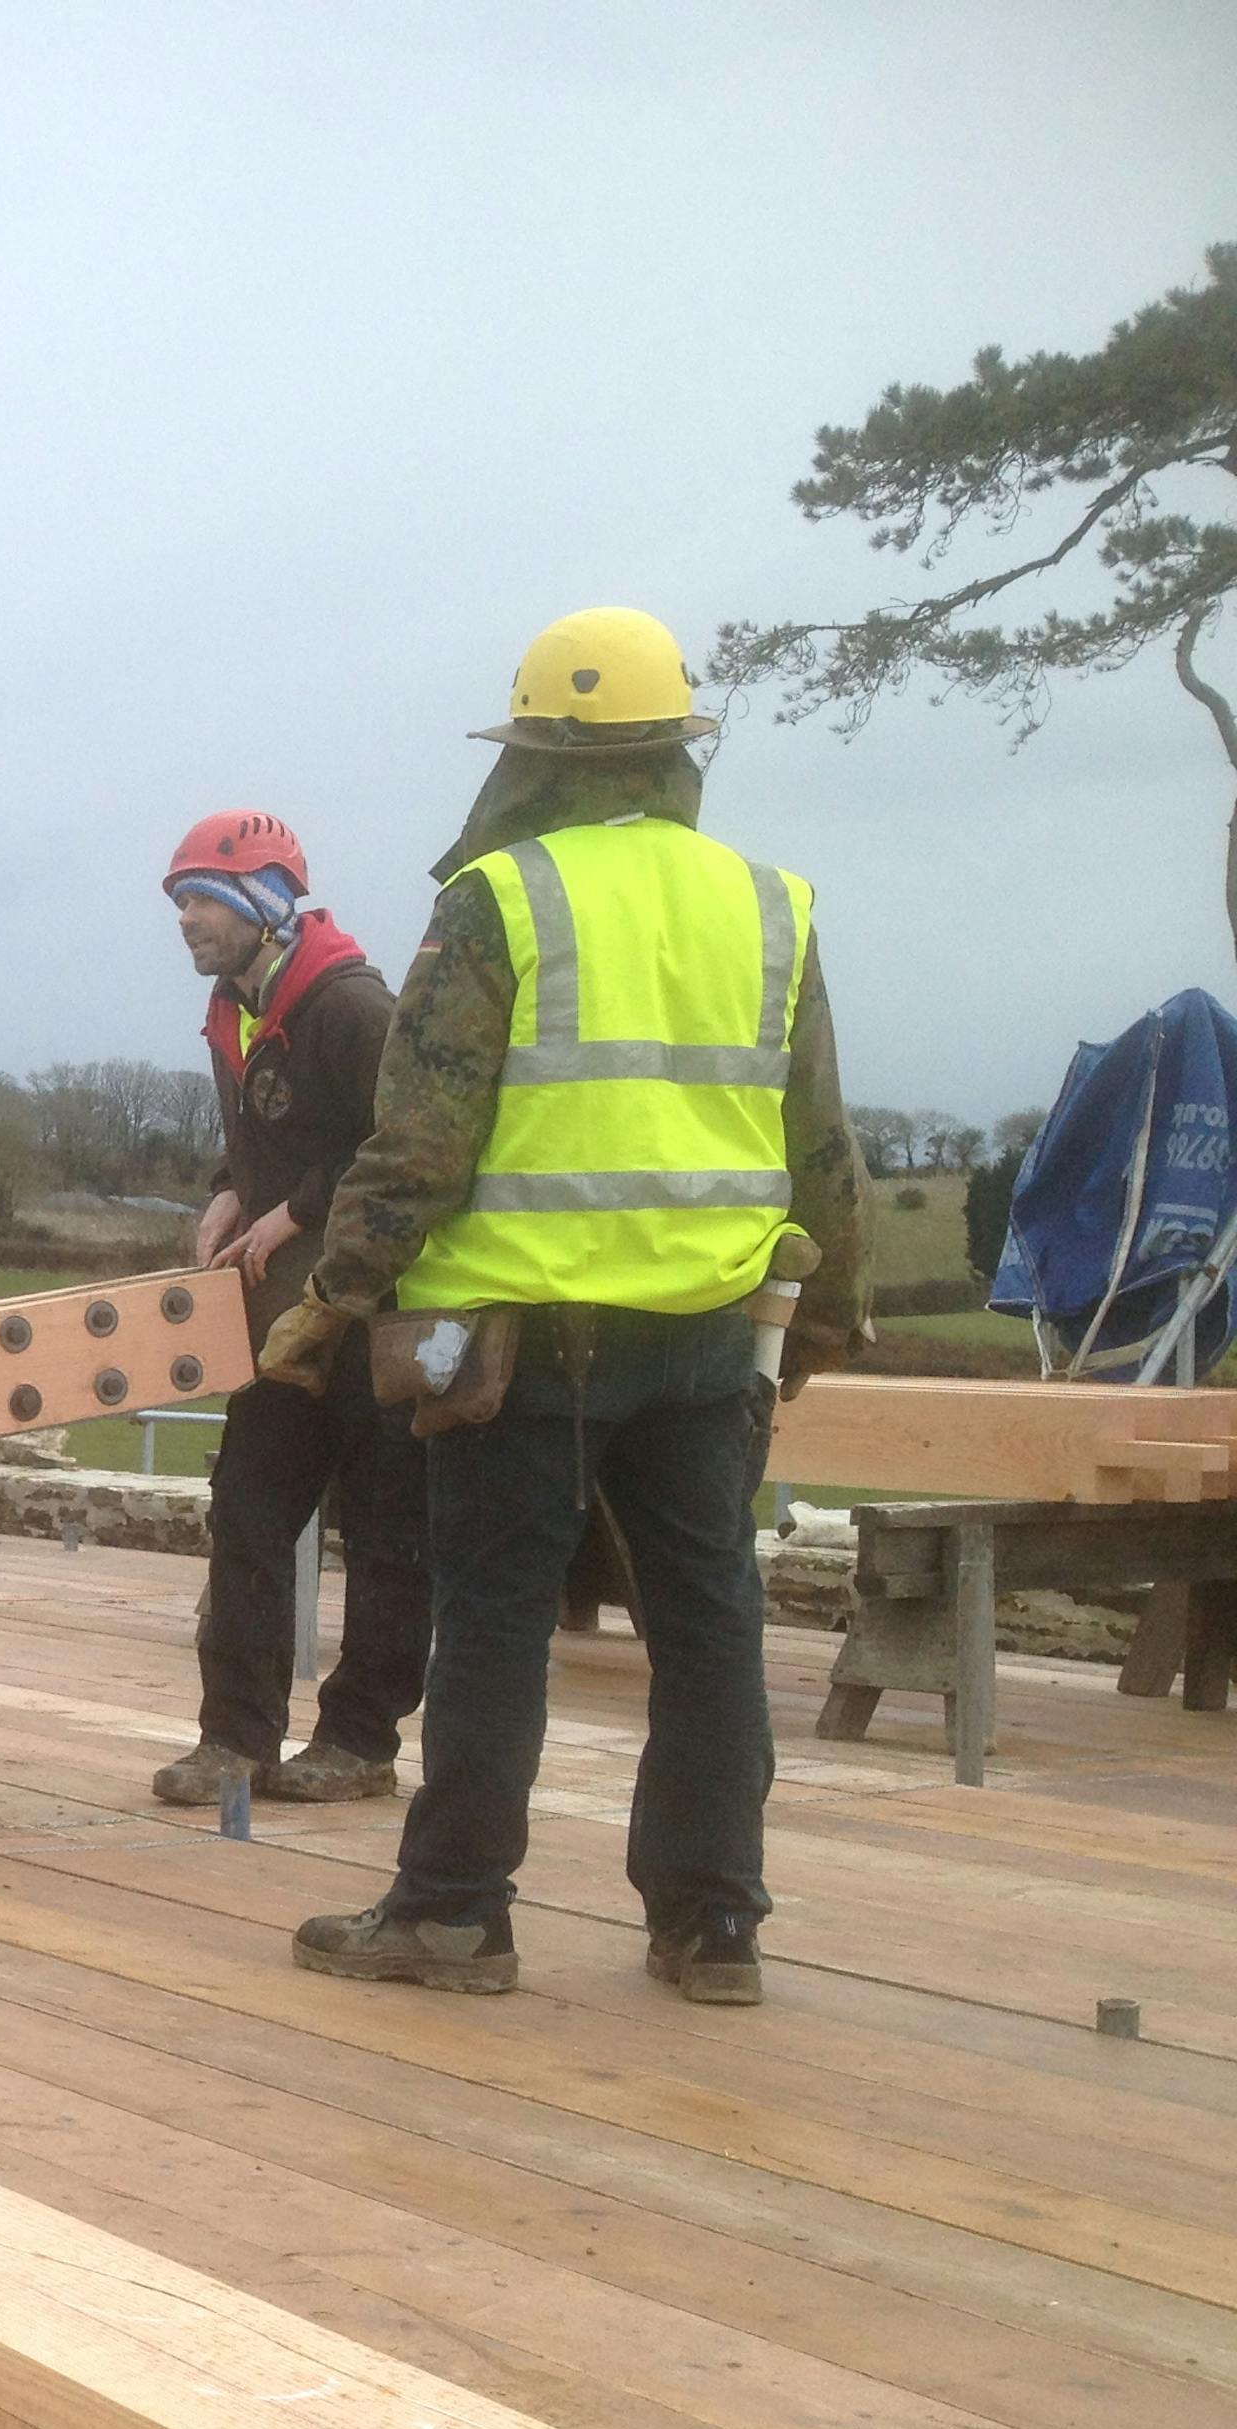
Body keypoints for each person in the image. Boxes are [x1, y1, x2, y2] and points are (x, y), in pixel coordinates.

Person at [260, 608, 865, 2005]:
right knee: (711, 1625)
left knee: (493, 1620)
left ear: (532, 753)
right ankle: (716, 1928)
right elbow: (819, 1135)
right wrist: (830, 1310)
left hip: (512, 1343)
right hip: (707, 1340)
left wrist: (329, 1304)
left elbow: (420, 1143)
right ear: (674, 753)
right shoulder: (770, 902)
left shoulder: (500, 900)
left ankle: (457, 1914)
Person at [145, 810, 431, 1810]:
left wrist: (292, 1212)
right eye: (181, 902)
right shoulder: (236, 1007)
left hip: (379, 1310)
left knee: (390, 1535)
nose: (187, 920)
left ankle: (360, 1742)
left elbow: (412, 1144)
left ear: (266, 904)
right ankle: (237, 1741)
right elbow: (278, 1134)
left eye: (206, 902)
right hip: (282, 1322)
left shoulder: (352, 1008)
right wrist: (232, 1183)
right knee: (249, 1515)